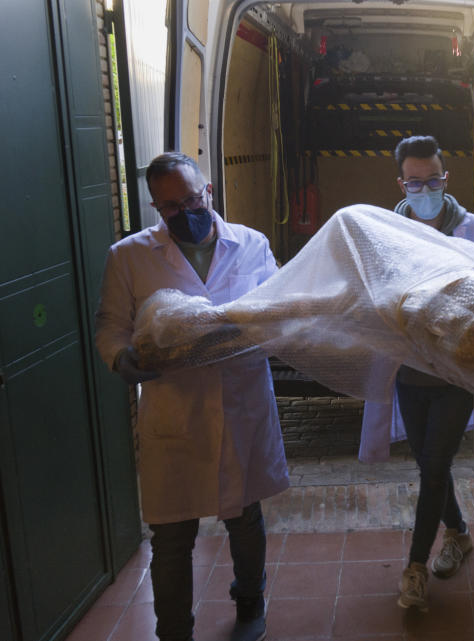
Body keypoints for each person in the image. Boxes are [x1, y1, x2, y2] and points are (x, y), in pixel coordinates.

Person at [95, 152, 289, 641]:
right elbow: (111, 328)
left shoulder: (251, 244)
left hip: (239, 400)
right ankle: (174, 630)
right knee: (172, 535)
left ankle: (250, 602)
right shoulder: (130, 256)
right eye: (170, 207)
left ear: (209, 192)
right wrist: (121, 358)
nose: (184, 212)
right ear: (157, 209)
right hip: (174, 409)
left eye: (191, 199)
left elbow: (276, 311)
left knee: (244, 517)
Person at [360, 135, 474, 611]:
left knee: (435, 465)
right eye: (415, 182)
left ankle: (415, 567)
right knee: (428, 463)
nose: (426, 189)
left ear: (447, 178)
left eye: (434, 179)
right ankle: (459, 534)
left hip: (455, 375)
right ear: (401, 183)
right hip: (408, 372)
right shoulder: (385, 233)